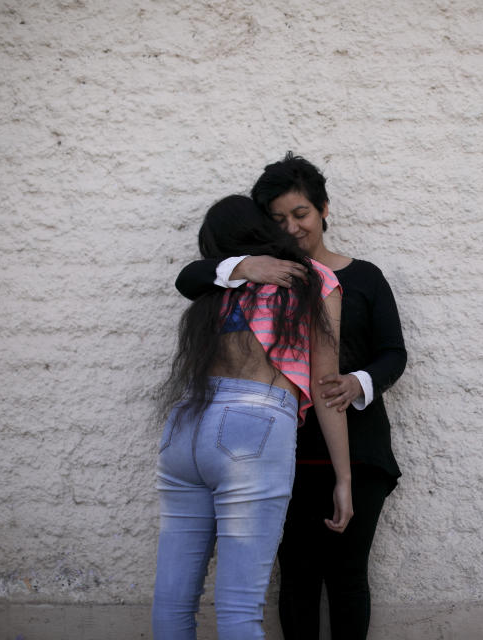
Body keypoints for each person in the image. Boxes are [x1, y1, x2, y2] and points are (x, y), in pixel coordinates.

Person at [175, 153, 406, 640]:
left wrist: (357, 382)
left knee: (347, 578)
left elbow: (393, 353)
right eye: (278, 219)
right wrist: (246, 264)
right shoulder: (256, 278)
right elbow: (191, 279)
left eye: (300, 213)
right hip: (283, 451)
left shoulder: (362, 276)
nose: (293, 227)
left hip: (355, 449)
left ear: (323, 208)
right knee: (296, 578)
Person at [153, 194, 353, 640]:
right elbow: (325, 387)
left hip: (184, 426)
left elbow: (189, 276)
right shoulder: (312, 280)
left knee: (172, 601)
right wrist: (344, 477)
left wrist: (237, 267)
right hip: (251, 428)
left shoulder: (214, 286)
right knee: (240, 609)